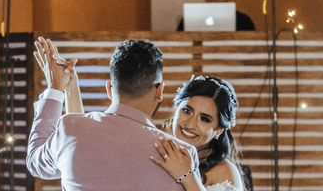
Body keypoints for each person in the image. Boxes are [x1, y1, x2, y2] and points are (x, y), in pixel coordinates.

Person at [26, 37, 200, 190]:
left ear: (109, 88)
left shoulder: (69, 129)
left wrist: (55, 88)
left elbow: (36, 162)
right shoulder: (183, 156)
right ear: (159, 90)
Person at [150, 75, 251, 191]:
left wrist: (188, 177)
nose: (190, 124)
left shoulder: (224, 171)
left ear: (219, 130)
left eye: (204, 119)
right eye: (187, 111)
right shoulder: (155, 150)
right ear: (176, 109)